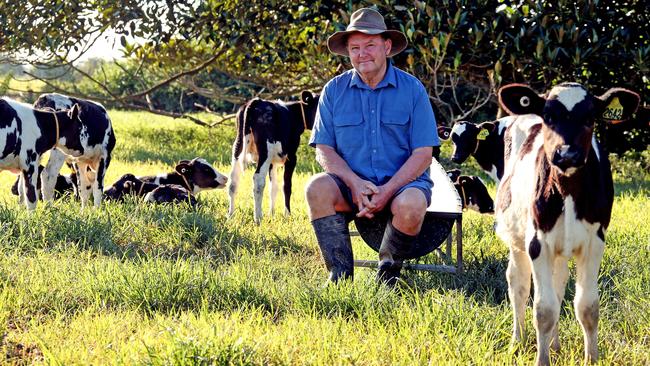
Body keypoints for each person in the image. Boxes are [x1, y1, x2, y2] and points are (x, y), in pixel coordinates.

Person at [305, 7, 440, 285]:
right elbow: (324, 149)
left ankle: (387, 278)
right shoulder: (333, 91)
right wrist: (355, 184)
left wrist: (387, 191)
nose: (362, 53)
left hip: (402, 185)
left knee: (412, 204)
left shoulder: (412, 90)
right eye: (355, 48)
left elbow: (423, 154)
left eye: (370, 45)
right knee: (316, 188)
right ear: (348, 52)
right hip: (349, 185)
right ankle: (339, 277)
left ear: (387, 46)